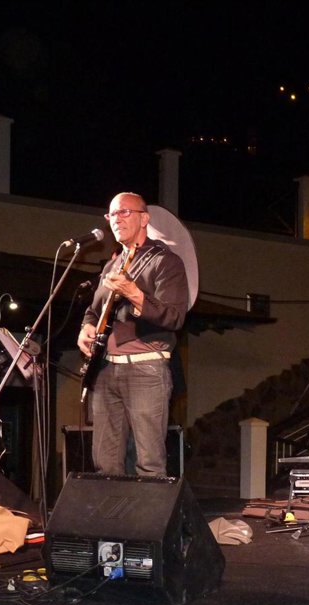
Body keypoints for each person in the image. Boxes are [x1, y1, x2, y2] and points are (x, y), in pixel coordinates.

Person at [77, 192, 191, 476]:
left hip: (146, 368)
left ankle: (150, 509)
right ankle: (112, 507)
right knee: (105, 463)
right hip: (106, 369)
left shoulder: (165, 261)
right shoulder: (112, 265)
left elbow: (174, 316)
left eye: (124, 212)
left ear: (144, 218)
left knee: (149, 463)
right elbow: (93, 310)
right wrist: (86, 327)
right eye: (111, 214)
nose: (116, 219)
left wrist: (134, 294)